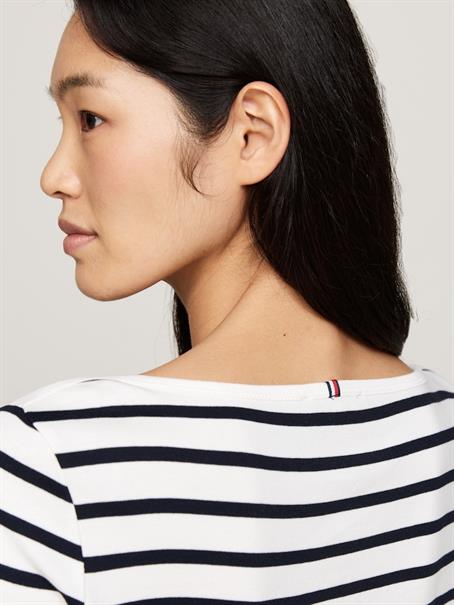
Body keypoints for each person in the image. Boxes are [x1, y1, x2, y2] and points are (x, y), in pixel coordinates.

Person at [1, 1, 453, 603]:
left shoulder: (49, 468)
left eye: (90, 118)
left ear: (250, 135)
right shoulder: (440, 435)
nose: (53, 175)